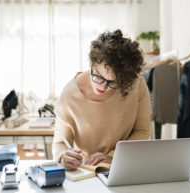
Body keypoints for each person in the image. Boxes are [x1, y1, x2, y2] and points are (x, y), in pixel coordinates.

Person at [52, 29, 150, 171]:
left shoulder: (136, 84)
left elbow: (141, 131)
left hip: (125, 166)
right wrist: (63, 157)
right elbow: (60, 142)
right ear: (91, 63)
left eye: (113, 82)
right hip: (86, 170)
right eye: (98, 76)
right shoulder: (69, 95)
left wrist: (114, 156)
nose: (103, 87)